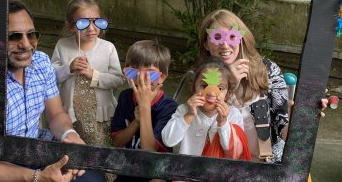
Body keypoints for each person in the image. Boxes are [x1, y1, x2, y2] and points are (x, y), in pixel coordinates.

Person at [0, 1, 90, 181]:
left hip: (35, 152)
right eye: (14, 36)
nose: (26, 45)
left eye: (31, 35)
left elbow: (56, 114)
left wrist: (69, 135)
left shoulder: (41, 62)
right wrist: (37, 178)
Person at [199, 9, 328, 163]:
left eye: (232, 36)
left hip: (265, 167)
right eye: (217, 37)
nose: (225, 45)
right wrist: (228, 83)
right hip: (220, 167)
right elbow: (201, 130)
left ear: (241, 38)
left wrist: (302, 118)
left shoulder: (268, 70)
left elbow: (284, 133)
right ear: (206, 44)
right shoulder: (201, 79)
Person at [51, 0, 123, 149]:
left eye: (96, 21)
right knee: (74, 150)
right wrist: (68, 68)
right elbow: (51, 76)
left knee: (99, 150)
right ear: (71, 26)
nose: (91, 28)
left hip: (100, 116)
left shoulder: (108, 48)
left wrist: (94, 75)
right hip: (72, 116)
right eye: (83, 23)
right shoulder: (62, 46)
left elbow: (118, 79)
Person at [111, 40, 178, 182]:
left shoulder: (169, 106)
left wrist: (145, 106)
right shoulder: (125, 97)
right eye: (133, 72)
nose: (141, 79)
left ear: (163, 76)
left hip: (156, 171)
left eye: (150, 74)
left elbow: (150, 153)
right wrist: (136, 122)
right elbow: (117, 143)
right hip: (128, 169)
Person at [162, 58, 251, 160]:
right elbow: (168, 141)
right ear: (193, 88)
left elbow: (236, 153)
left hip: (218, 173)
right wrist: (189, 116)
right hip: (185, 172)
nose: (212, 93)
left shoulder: (233, 114)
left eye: (220, 88)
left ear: (228, 94)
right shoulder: (184, 110)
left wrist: (223, 123)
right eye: (204, 86)